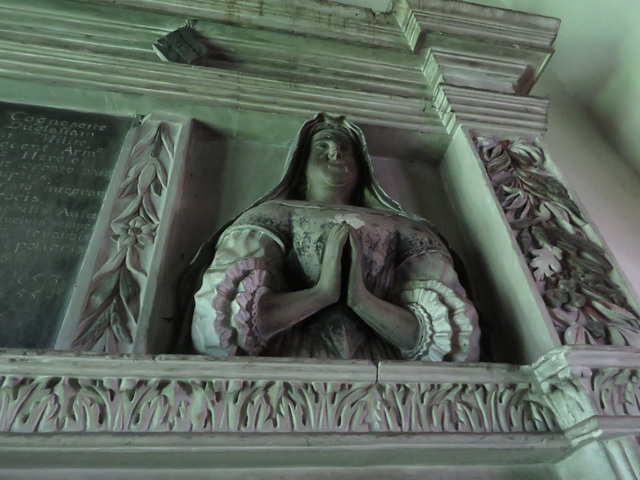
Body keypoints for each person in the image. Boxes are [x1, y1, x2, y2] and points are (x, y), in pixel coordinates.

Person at [187, 113, 479, 361]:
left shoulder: (405, 228)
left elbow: (456, 340)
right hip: (291, 365)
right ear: (302, 165)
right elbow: (216, 321)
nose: (335, 153)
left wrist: (363, 301)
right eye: (323, 146)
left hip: (387, 373)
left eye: (345, 149)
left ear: (361, 167)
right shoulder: (271, 216)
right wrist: (320, 293)